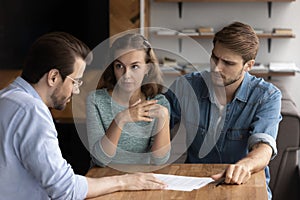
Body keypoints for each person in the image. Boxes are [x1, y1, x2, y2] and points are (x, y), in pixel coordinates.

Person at [0, 32, 167, 200]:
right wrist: (124, 182)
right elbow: (66, 190)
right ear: (53, 77)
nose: (76, 90)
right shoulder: (32, 112)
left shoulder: (6, 97)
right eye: (75, 81)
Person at [164, 21, 282, 200]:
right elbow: (153, 129)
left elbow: (264, 146)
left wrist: (245, 165)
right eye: (214, 58)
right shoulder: (186, 86)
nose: (216, 68)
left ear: (248, 65)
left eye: (228, 63)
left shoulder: (267, 96)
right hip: (196, 185)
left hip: (245, 185)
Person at [86, 33, 171, 167]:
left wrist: (164, 117)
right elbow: (100, 160)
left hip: (140, 179)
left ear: (147, 69)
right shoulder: (96, 100)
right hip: (103, 179)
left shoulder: (159, 104)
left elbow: (159, 161)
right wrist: (121, 119)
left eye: (134, 66)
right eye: (119, 66)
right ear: (112, 67)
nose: (126, 75)